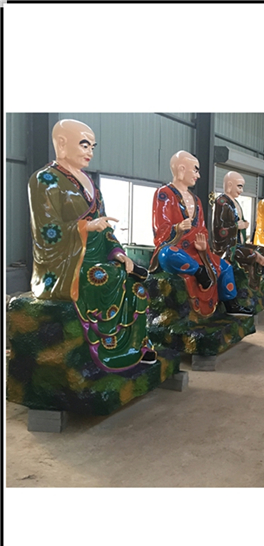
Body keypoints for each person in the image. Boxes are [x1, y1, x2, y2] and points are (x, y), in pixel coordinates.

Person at [28, 119, 156, 370]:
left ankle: (136, 345)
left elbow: (104, 226)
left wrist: (118, 254)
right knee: (107, 277)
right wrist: (85, 227)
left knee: (137, 286)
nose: (90, 152)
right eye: (84, 145)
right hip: (65, 263)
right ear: (62, 144)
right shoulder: (44, 180)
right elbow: (46, 231)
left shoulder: (90, 184)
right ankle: (107, 347)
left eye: (92, 147)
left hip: (98, 254)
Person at [150, 151, 252, 317]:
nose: (198, 176)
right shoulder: (164, 194)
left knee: (225, 267)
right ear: (182, 169)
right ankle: (198, 271)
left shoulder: (196, 200)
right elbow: (160, 227)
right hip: (177, 249)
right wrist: (178, 227)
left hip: (197, 251)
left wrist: (203, 244)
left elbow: (202, 229)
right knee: (166, 255)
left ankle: (231, 304)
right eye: (195, 170)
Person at [212, 170, 264, 288]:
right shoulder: (222, 202)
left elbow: (238, 220)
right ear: (230, 185)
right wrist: (238, 226)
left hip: (238, 242)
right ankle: (247, 287)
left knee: (262, 250)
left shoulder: (235, 202)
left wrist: (244, 223)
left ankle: (255, 286)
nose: (241, 190)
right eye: (239, 186)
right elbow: (219, 229)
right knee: (252, 255)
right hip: (227, 246)